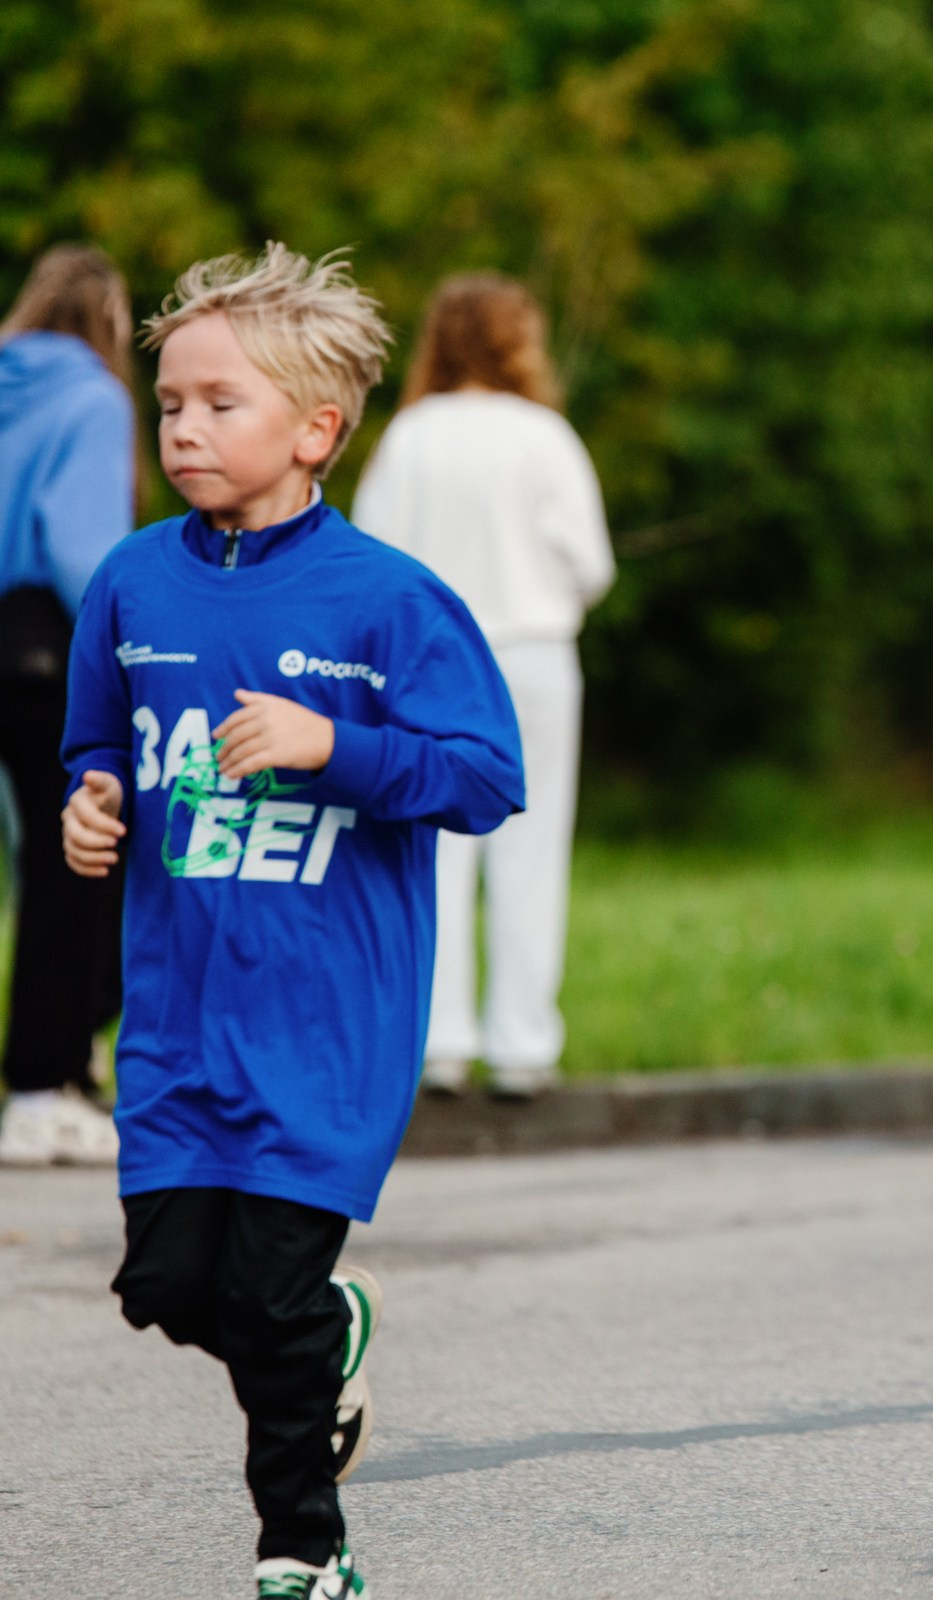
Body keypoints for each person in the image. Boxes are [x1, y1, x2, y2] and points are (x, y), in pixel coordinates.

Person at [61, 244, 523, 1600]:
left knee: (262, 1297)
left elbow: (487, 777)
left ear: (316, 430)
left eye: (221, 403)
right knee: (166, 1287)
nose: (184, 428)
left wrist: (337, 745)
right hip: (177, 1017)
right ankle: (329, 1339)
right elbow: (98, 746)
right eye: (169, 404)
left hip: (327, 1024)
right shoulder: (132, 582)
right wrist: (93, 804)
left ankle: (305, 1551)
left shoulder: (385, 597)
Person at [354, 274, 612, 1100]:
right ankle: (522, 1047)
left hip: (434, 664)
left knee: (435, 849)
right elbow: (591, 565)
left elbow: (375, 559)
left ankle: (441, 1043)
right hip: (533, 655)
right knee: (531, 851)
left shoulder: (411, 437)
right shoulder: (545, 436)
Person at [0, 246, 136, 1167]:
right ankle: (44, 1088)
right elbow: (81, 546)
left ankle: (54, 1076)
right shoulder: (93, 399)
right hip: (46, 642)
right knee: (73, 860)